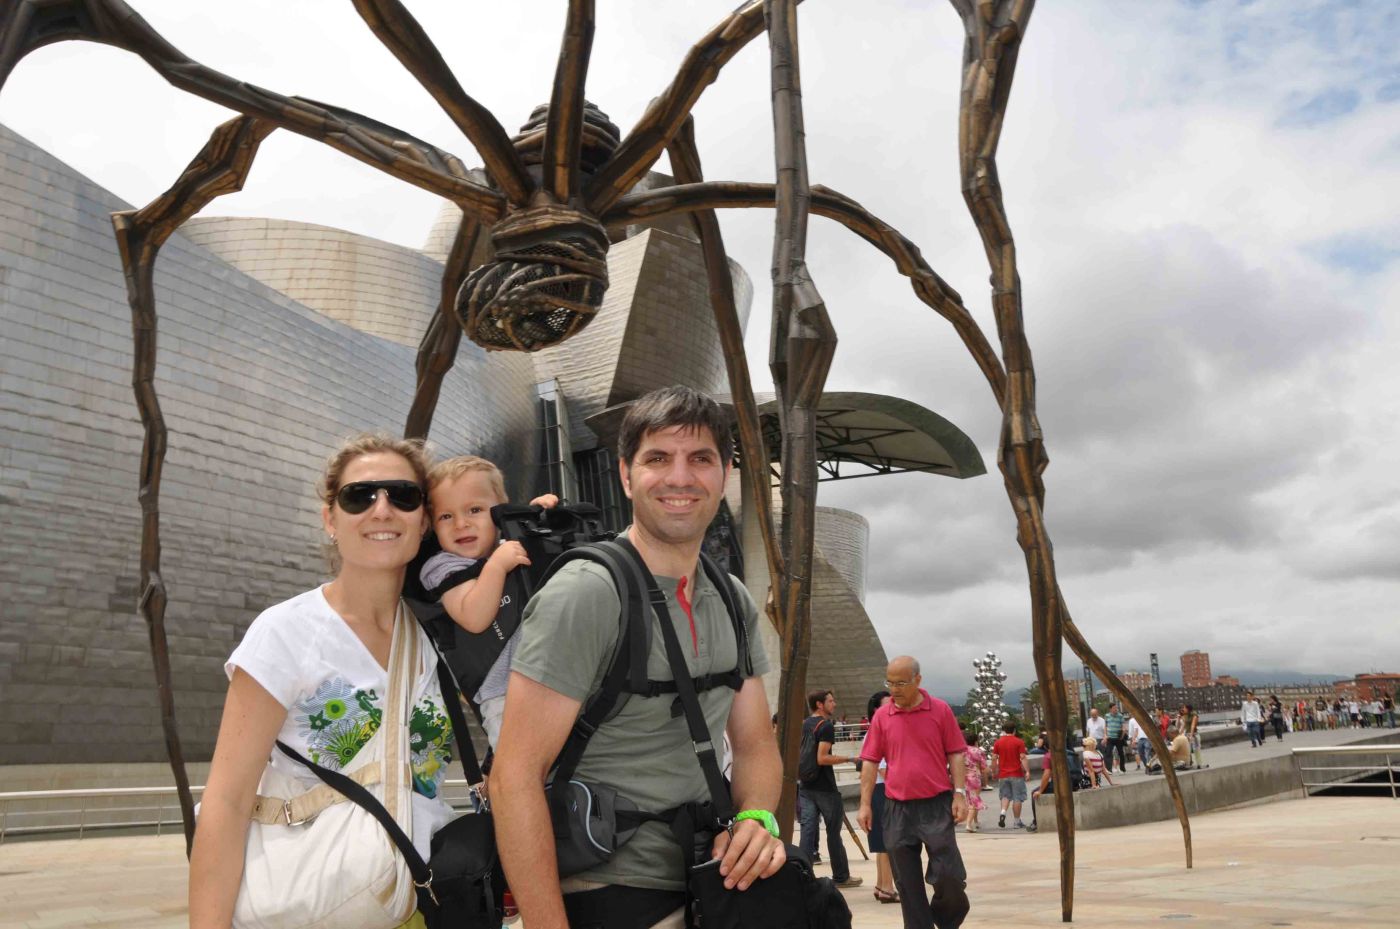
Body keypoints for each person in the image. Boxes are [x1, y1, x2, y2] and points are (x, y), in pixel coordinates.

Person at [491, 386, 783, 929]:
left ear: (725, 475)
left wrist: (756, 817)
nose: (680, 477)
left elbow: (755, 745)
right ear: (626, 476)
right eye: (658, 458)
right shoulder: (587, 592)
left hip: (710, 883)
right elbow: (514, 777)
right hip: (609, 889)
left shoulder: (731, 596)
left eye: (701, 459)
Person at [189, 433, 459, 929]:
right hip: (316, 904)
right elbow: (226, 800)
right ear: (331, 519)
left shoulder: (440, 635)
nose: (382, 510)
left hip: (423, 900)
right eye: (360, 496)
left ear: (423, 520)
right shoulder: (286, 631)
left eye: (403, 495)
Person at [419, 455, 556, 747]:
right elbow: (474, 617)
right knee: (518, 762)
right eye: (446, 516)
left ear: (500, 513)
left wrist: (537, 517)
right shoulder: (444, 567)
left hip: (551, 679)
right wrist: (496, 566)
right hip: (503, 694)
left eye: (475, 510)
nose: (461, 524)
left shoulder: (508, 546)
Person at [859, 656, 970, 929]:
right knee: (907, 884)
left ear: (917, 680)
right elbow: (870, 761)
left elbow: (956, 753)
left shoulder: (940, 710)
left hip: (936, 805)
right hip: (896, 808)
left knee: (949, 876)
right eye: (890, 683)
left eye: (901, 683)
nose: (894, 690)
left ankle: (946, 919)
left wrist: (959, 793)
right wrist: (865, 804)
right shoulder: (882, 716)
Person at [798, 689, 861, 887]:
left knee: (807, 832)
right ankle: (841, 877)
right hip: (825, 788)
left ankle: (803, 877)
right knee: (833, 833)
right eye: (831, 701)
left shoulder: (804, 724)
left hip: (805, 785)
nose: (834, 704)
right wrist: (850, 758)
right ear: (820, 704)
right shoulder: (825, 726)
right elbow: (822, 758)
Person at [861, 690, 899, 905]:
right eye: (887, 703)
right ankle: (887, 888)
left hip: (878, 789)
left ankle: (880, 885)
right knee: (887, 842)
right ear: (876, 709)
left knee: (881, 842)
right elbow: (884, 769)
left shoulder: (875, 730)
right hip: (884, 789)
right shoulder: (879, 731)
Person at [991, 721, 1029, 828]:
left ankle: (1003, 812)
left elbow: (994, 758)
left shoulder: (998, 742)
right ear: (1014, 730)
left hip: (1003, 774)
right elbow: (1023, 757)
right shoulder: (1019, 742)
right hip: (1016, 774)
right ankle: (1017, 822)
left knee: (1005, 796)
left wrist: (994, 771)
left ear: (1004, 730)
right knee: (1017, 798)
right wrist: (1027, 771)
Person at [962, 731, 989, 833]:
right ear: (975, 741)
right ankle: (969, 824)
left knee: (970, 799)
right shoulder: (977, 751)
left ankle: (975, 821)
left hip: (963, 777)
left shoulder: (961, 751)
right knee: (974, 801)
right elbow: (984, 766)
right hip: (974, 777)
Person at [1103, 703, 1127, 773]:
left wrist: (1122, 735)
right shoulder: (1107, 716)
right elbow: (1105, 726)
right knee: (1108, 753)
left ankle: (1122, 768)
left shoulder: (1120, 716)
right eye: (1114, 708)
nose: (1116, 709)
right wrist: (1105, 735)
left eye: (1116, 708)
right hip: (1110, 737)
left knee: (1121, 753)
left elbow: (1123, 726)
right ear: (1110, 709)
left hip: (1118, 738)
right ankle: (1109, 769)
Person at [1179, 703, 1203, 768]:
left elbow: (1193, 725)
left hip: (1194, 734)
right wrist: (1179, 734)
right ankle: (1188, 763)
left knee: (1196, 749)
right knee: (1187, 750)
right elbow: (1183, 725)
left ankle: (1199, 764)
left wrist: (1191, 736)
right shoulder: (1185, 715)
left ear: (1188, 709)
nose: (1183, 709)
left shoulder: (1194, 715)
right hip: (1187, 734)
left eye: (1184, 708)